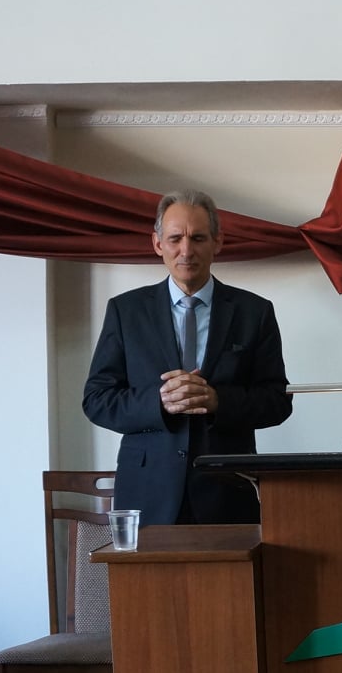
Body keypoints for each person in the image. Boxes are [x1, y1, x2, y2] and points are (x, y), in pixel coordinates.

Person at [83, 190, 293, 525]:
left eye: (197, 238)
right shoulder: (126, 311)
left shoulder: (254, 312)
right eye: (175, 238)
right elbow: (97, 400)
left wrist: (218, 401)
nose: (186, 250)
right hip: (147, 493)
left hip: (229, 492)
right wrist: (159, 402)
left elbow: (277, 401)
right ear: (157, 244)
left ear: (218, 242)